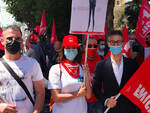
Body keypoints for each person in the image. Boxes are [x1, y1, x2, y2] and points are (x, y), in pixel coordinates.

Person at [93, 30, 141, 113]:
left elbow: (138, 86)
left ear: (122, 43)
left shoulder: (133, 64)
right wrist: (106, 101)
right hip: (110, 110)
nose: (115, 45)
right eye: (112, 42)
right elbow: (96, 88)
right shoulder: (100, 65)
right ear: (108, 44)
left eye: (118, 42)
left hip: (130, 109)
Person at [0, 25, 45, 113]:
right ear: (2, 41)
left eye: (17, 39)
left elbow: (40, 92)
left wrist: (36, 112)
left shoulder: (33, 64)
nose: (13, 41)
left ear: (21, 41)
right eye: (9, 38)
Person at [48, 35, 92, 113]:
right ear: (63, 50)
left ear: (77, 50)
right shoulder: (56, 69)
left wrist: (86, 77)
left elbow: (88, 95)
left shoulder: (82, 68)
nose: (71, 50)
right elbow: (56, 97)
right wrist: (77, 94)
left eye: (73, 48)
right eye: (68, 48)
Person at [81, 37, 102, 113]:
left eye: (95, 46)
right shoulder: (79, 60)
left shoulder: (102, 60)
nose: (92, 48)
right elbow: (77, 80)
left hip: (98, 101)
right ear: (84, 46)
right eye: (89, 46)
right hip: (83, 101)